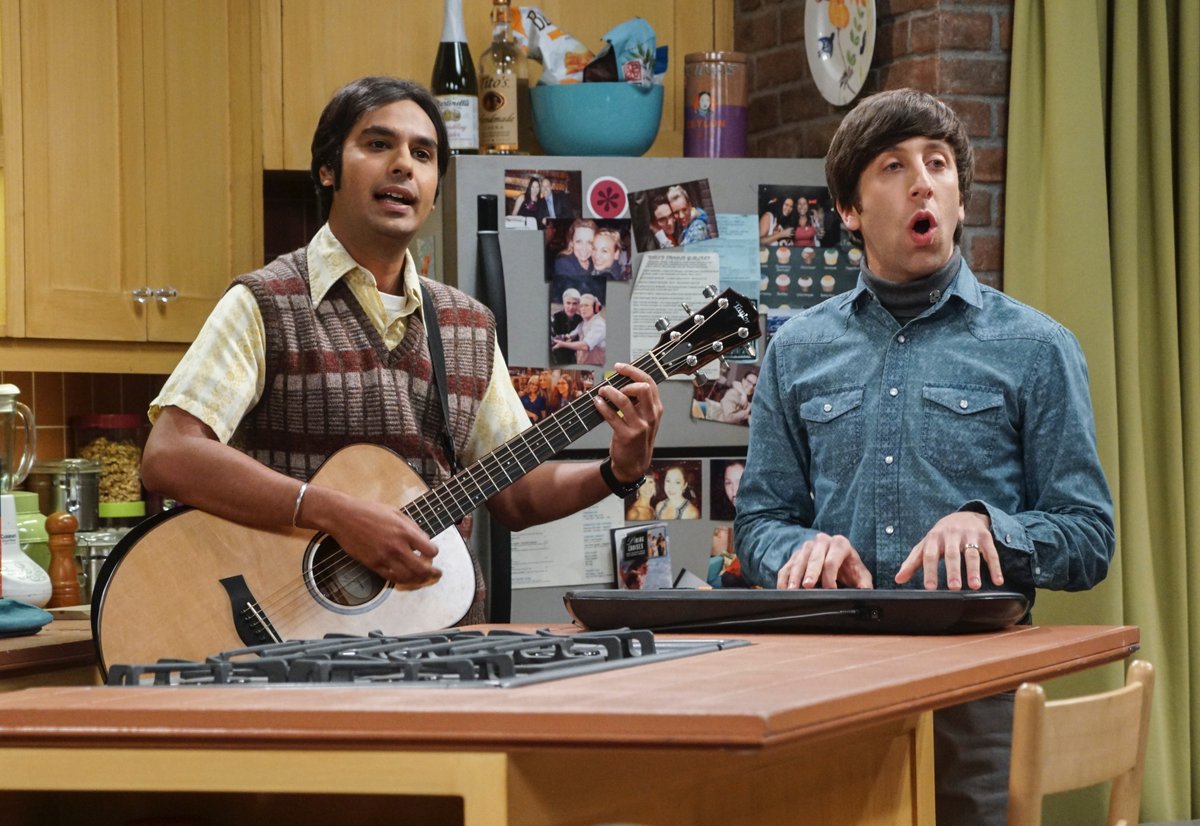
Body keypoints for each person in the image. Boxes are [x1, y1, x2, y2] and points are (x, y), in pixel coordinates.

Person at [141, 76, 663, 628]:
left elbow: (516, 496)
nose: (403, 166)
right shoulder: (266, 303)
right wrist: (333, 513)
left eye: (423, 154)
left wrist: (617, 471)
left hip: (440, 642)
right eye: (378, 144)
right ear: (327, 168)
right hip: (291, 638)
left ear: (435, 189)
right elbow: (170, 455)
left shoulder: (469, 325)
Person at [732, 88, 1115, 826]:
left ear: (959, 201)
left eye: (938, 165)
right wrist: (798, 550)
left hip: (980, 699)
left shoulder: (1037, 348)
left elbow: (1089, 535)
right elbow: (759, 523)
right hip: (826, 688)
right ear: (849, 210)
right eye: (893, 166)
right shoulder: (797, 349)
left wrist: (995, 529)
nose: (922, 182)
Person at [552, 293, 606, 365]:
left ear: (596, 308)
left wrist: (563, 344)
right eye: (581, 306)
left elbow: (585, 346)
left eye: (586, 305)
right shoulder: (582, 323)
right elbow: (571, 335)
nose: (583, 309)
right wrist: (561, 338)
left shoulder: (598, 324)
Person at [549, 288, 582, 366]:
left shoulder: (581, 320)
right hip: (557, 359)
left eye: (574, 303)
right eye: (568, 303)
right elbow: (553, 341)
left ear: (578, 305)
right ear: (563, 303)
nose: (571, 307)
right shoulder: (554, 318)